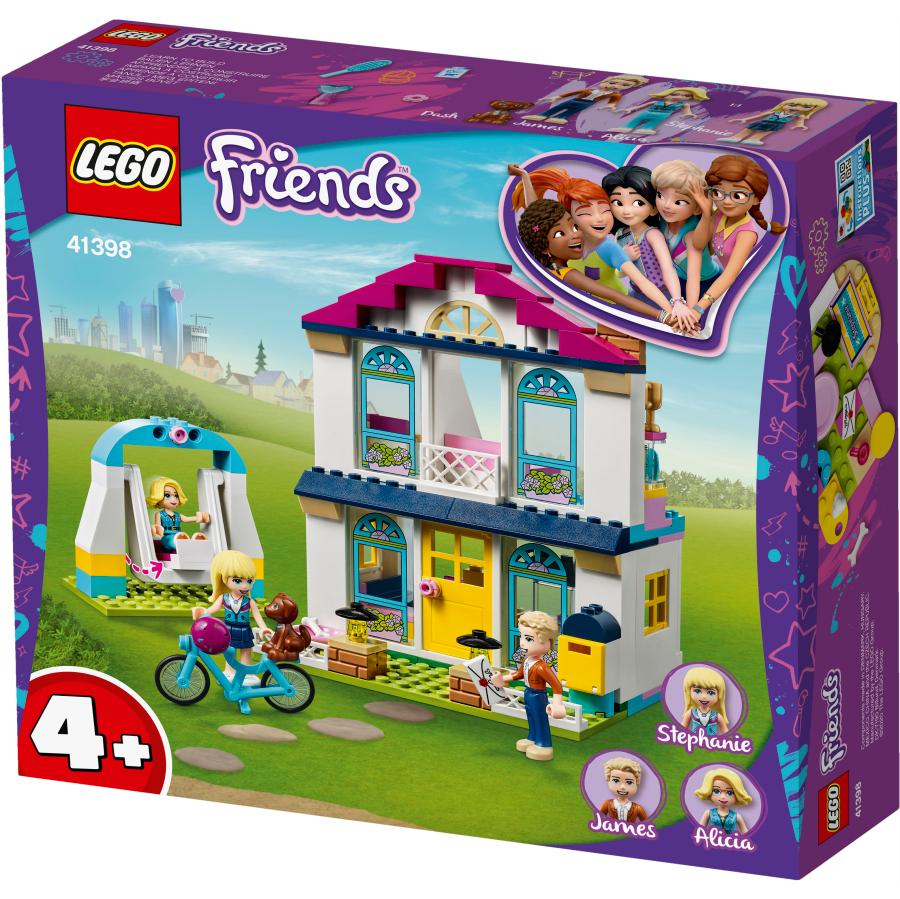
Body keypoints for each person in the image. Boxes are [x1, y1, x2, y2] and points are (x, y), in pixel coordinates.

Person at [511, 164, 696, 330]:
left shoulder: (608, 246)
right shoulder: (573, 242)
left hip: (620, 308)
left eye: (605, 210)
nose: (599, 219)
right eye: (585, 213)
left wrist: (671, 310)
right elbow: (537, 218)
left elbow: (638, 283)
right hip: (594, 312)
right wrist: (526, 177)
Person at [491, 610, 566, 761]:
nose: (522, 642)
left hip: (538, 696)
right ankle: (532, 738)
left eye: (529, 639)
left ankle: (544, 744)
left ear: (547, 642)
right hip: (528, 693)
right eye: (522, 637)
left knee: (540, 718)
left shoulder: (541, 667)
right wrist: (503, 679)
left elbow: (556, 686)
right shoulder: (527, 661)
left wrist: (558, 704)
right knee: (531, 716)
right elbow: (518, 675)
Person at [193, 550, 272, 682]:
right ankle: (229, 671)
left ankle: (247, 673)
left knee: (246, 650)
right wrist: (203, 612)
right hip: (228, 630)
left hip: (244, 629)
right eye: (237, 580)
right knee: (230, 651)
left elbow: (257, 616)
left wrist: (263, 628)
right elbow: (213, 609)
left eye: (249, 581)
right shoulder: (224, 598)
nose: (245, 585)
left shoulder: (249, 601)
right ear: (225, 580)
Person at [721, 97, 828, 146]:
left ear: (812, 109)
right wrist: (745, 119)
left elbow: (800, 120)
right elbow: (761, 115)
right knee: (749, 128)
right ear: (783, 105)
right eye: (792, 105)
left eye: (806, 107)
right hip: (763, 121)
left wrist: (800, 125)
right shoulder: (775, 112)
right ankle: (735, 137)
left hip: (776, 124)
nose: (797, 108)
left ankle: (754, 139)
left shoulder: (798, 115)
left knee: (763, 132)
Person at [146, 476, 209, 552]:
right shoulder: (160, 514)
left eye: (176, 496)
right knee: (176, 540)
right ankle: (184, 543)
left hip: (179, 535)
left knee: (182, 538)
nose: (174, 499)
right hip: (166, 538)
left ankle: (196, 542)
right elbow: (158, 526)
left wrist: (199, 517)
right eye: (167, 495)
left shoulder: (177, 515)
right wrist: (156, 532)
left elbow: (186, 519)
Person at [612, 86, 708, 135]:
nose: (679, 97)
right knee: (636, 120)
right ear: (665, 94)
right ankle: (627, 127)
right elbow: (641, 106)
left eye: (686, 96)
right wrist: (630, 109)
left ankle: (646, 129)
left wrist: (689, 114)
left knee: (653, 123)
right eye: (674, 94)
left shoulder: (683, 104)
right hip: (647, 112)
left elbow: (687, 111)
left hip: (662, 115)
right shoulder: (655, 102)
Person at [694, 767, 753, 833]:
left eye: (729, 793)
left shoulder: (736, 816)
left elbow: (745, 832)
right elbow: (700, 830)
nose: (723, 797)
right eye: (716, 791)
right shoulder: (708, 813)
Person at [680, 665, 731, 735]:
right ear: (689, 692)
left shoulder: (716, 716)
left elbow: (725, 731)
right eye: (697, 691)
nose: (704, 696)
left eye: (711, 693)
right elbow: (682, 729)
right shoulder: (691, 713)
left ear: (719, 695)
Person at [599, 757, 649, 822]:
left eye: (629, 782)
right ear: (608, 781)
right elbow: (599, 819)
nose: (622, 787)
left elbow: (646, 823)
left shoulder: (638, 808)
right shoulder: (607, 804)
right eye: (616, 781)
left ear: (636, 784)